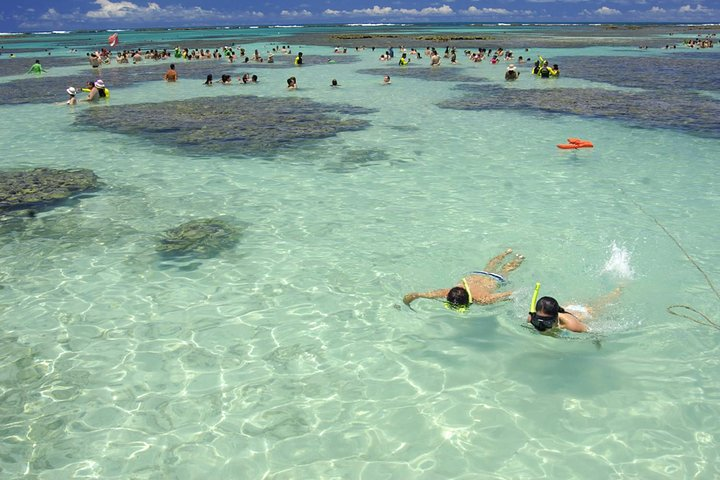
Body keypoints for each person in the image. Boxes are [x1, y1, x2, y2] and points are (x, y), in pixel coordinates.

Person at [403, 249, 525, 310]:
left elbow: (510, 293)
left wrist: (406, 304)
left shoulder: (482, 300)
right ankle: (506, 252)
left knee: (505, 270)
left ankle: (518, 258)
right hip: (477, 274)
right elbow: (415, 295)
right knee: (490, 266)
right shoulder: (447, 291)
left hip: (493, 279)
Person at [528, 289, 622, 333]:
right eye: (537, 321)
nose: (541, 327)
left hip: (582, 314)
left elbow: (593, 332)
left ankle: (618, 289)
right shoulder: (532, 318)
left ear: (556, 318)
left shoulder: (572, 325)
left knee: (601, 304)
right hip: (567, 309)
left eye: (547, 323)